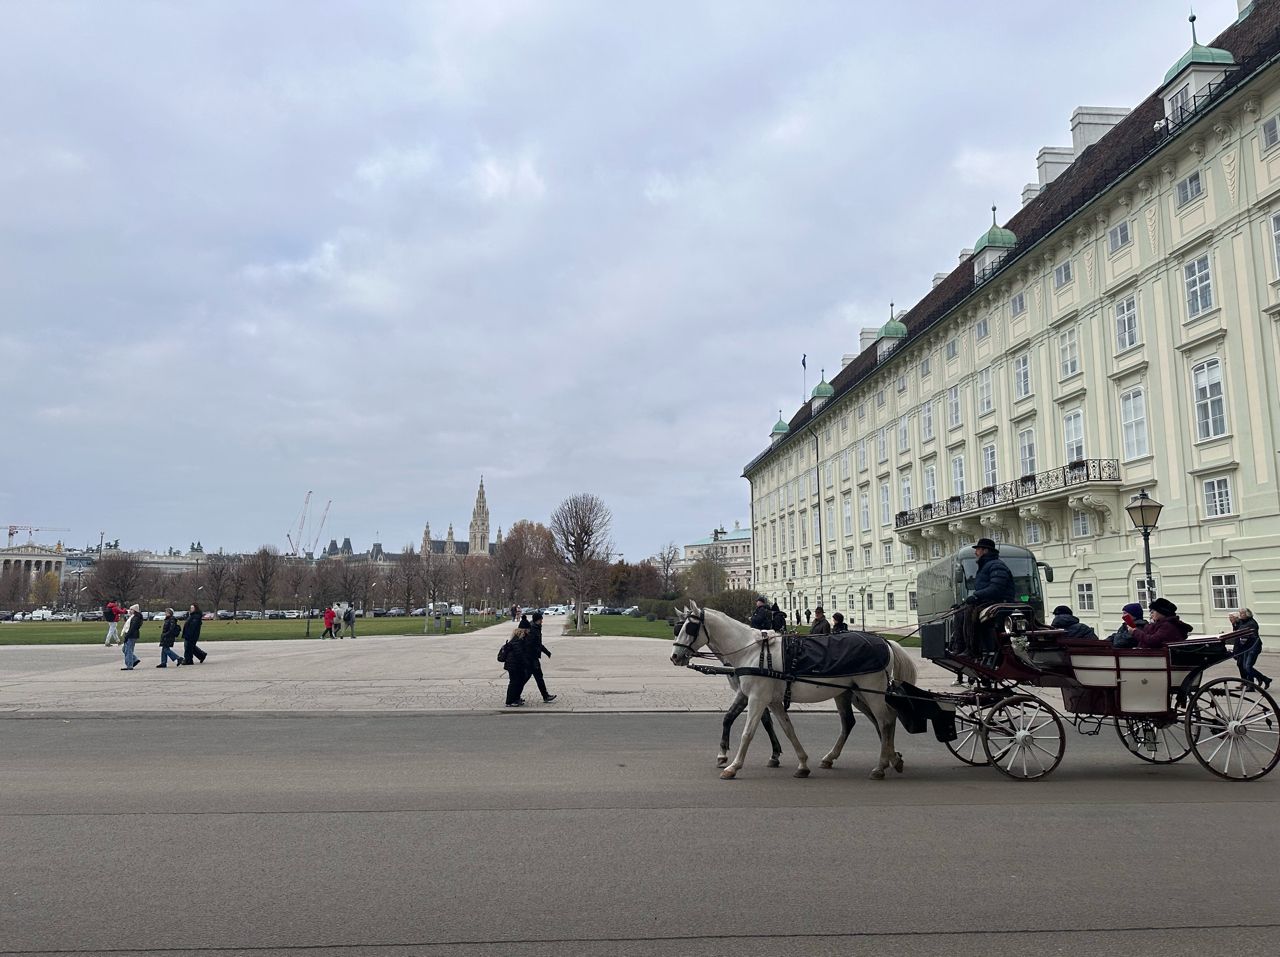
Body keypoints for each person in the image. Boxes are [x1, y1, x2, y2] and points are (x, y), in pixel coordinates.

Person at [956, 537, 1016, 657]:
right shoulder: (987, 565)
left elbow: (996, 588)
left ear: (985, 551)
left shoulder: (996, 565)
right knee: (959, 612)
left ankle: (973, 649)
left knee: (970, 613)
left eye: (977, 549)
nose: (975, 552)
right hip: (990, 601)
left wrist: (976, 596)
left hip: (999, 602)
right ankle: (959, 646)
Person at [1231, 608, 1271, 689]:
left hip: (1253, 648)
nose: (1240, 615)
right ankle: (1251, 685)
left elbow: (1241, 632)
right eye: (1240, 613)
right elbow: (1237, 632)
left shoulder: (1251, 623)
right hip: (1247, 648)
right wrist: (1234, 623)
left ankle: (1264, 679)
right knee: (1244, 666)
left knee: (1247, 667)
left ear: (1247, 614)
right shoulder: (1243, 622)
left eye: (1242, 613)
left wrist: (1237, 623)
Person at [526, 611, 556, 702]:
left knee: (531, 677)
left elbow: (538, 644)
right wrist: (545, 652)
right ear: (537, 620)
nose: (542, 621)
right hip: (532, 657)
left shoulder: (536, 627)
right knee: (536, 677)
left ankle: (545, 695)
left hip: (532, 657)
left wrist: (547, 652)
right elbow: (535, 644)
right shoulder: (533, 629)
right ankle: (545, 696)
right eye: (541, 620)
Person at [503, 627, 532, 707]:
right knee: (514, 683)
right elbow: (519, 655)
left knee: (517, 682)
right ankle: (510, 701)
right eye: (523, 633)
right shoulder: (517, 642)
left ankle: (515, 698)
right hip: (514, 666)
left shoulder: (515, 641)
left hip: (514, 665)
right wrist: (526, 663)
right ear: (520, 634)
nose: (524, 634)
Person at [119, 604, 143, 670]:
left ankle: (129, 665)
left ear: (135, 610)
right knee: (125, 649)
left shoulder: (136, 618)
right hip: (131, 634)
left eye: (131, 609)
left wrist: (127, 635)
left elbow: (132, 628)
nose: (130, 610)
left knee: (128, 650)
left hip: (132, 635)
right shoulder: (132, 617)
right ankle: (135, 659)